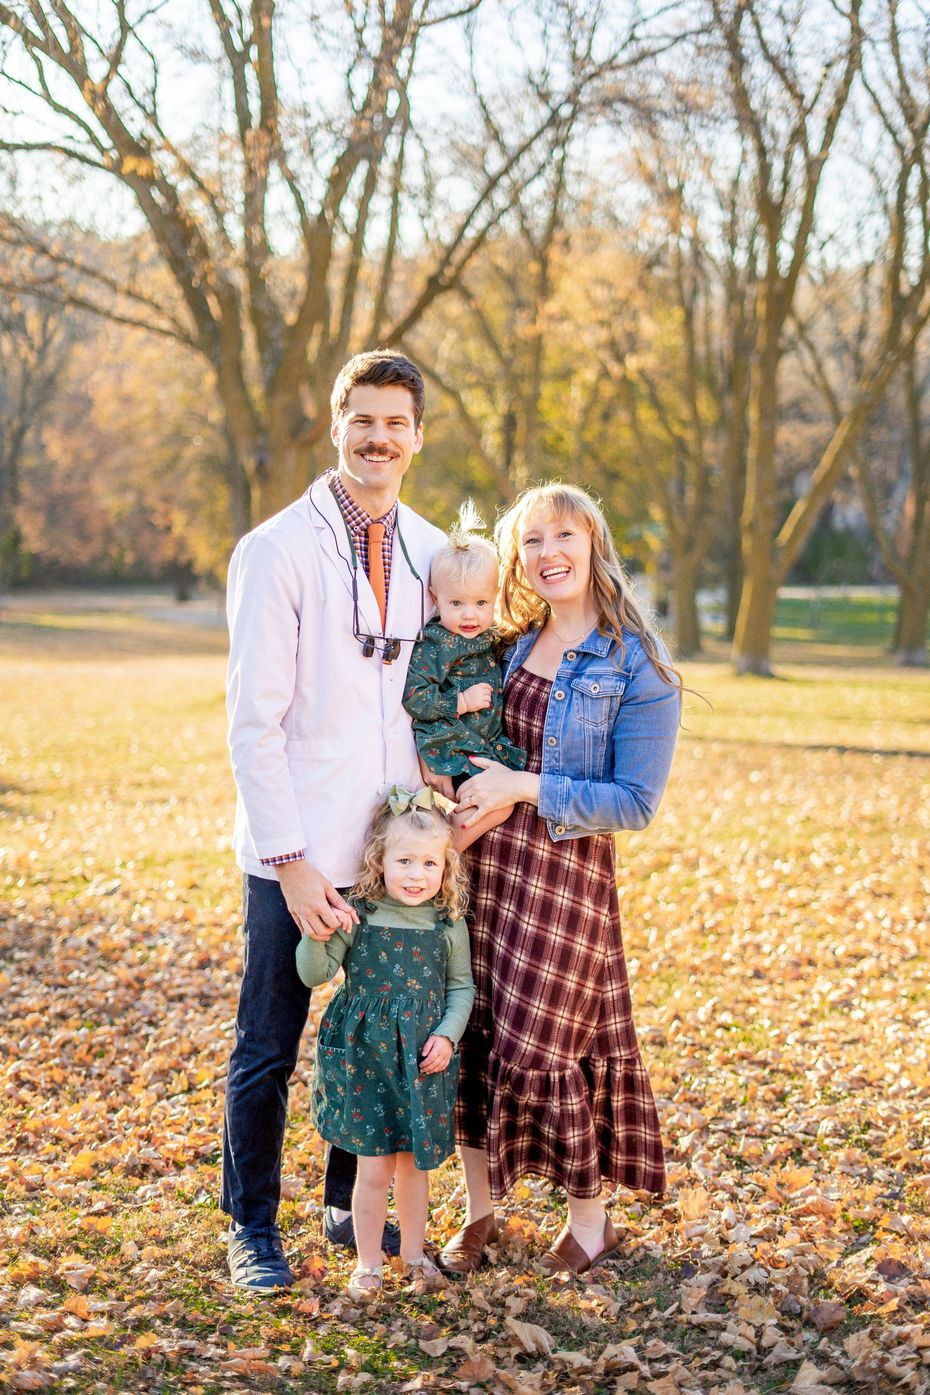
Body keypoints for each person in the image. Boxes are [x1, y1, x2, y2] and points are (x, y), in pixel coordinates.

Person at [222, 350, 447, 1290]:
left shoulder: (433, 551)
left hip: (392, 852)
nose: (379, 437)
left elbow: (437, 700)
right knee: (271, 1041)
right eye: (363, 418)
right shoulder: (276, 549)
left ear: (418, 437)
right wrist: (293, 864)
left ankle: (339, 1198)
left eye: (396, 422)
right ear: (335, 424)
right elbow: (252, 721)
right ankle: (251, 1226)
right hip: (303, 848)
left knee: (375, 1032)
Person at [438, 482, 681, 1279]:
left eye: (564, 535)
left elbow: (635, 801)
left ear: (593, 543)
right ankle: (480, 1213)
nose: (549, 553)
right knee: (478, 1033)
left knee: (548, 1043)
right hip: (484, 867)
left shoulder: (634, 662)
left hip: (566, 881)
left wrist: (523, 785)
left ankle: (589, 1224)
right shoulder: (505, 642)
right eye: (533, 540)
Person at [296, 789, 474, 1299]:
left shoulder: (447, 922)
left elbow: (461, 986)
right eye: (404, 861)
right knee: (373, 1167)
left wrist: (447, 1033)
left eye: (429, 863)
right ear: (379, 860)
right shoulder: (360, 913)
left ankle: (414, 1254)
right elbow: (315, 974)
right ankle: (368, 1263)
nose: (416, 874)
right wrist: (317, 930)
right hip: (366, 1057)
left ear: (446, 867)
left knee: (415, 1167)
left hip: (423, 1059)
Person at [402, 502, 525, 849]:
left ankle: (439, 848)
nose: (470, 614)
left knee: (498, 800)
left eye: (481, 603)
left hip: (480, 742)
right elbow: (415, 695)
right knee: (496, 805)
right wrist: (461, 701)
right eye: (457, 604)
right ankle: (441, 852)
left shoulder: (487, 635)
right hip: (450, 741)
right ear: (436, 599)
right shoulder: (437, 643)